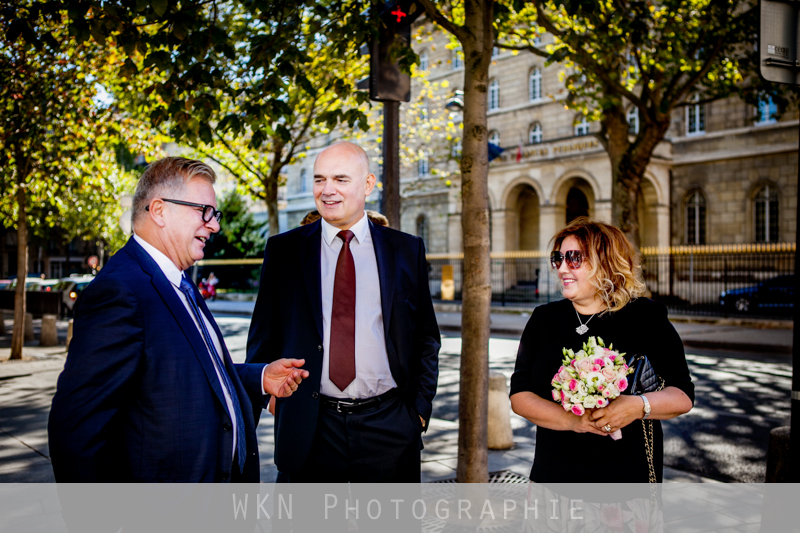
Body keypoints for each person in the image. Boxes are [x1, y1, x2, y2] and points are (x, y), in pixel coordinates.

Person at [48, 157, 309, 483]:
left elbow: (191, 377)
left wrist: (260, 378)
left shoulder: (177, 278)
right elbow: (77, 424)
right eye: (204, 212)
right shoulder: (120, 291)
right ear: (159, 210)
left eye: (215, 215)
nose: (214, 225)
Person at [246, 141, 440, 483]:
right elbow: (263, 338)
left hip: (390, 425)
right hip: (310, 428)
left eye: (340, 179)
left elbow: (426, 337)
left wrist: (418, 413)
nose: (327, 190)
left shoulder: (405, 250)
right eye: (319, 180)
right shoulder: (285, 251)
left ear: (367, 184)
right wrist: (279, 406)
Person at [510, 217, 694, 484]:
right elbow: (519, 395)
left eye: (573, 258)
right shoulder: (544, 319)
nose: (562, 268)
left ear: (605, 262)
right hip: (555, 476)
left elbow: (683, 395)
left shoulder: (646, 317)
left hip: (626, 477)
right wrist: (573, 421)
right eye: (557, 258)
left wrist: (637, 406)